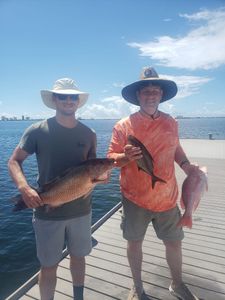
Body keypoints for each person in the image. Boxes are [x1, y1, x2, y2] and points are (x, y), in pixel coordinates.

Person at [107, 67, 200, 300]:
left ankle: (177, 284)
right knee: (134, 243)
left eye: (155, 91)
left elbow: (175, 147)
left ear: (161, 95)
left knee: (174, 243)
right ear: (138, 95)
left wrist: (187, 165)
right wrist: (125, 157)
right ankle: (137, 287)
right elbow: (111, 159)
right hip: (134, 198)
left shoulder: (171, 122)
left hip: (168, 196)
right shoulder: (123, 126)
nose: (151, 95)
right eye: (146, 91)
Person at [8, 78, 97, 300]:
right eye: (63, 96)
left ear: (78, 101)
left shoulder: (89, 134)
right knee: (48, 265)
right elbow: (13, 161)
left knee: (79, 257)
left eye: (73, 97)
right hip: (47, 211)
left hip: (81, 211)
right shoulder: (37, 130)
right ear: (54, 100)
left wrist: (100, 179)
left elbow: (93, 168)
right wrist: (24, 188)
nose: (68, 100)